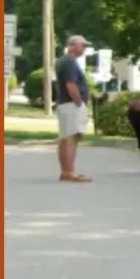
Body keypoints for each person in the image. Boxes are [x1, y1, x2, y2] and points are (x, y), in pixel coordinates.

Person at [55, 35, 92, 183]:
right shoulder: (69, 62)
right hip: (71, 105)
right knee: (71, 138)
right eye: (82, 45)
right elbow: (71, 85)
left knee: (66, 138)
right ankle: (69, 171)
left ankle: (66, 171)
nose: (84, 48)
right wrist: (79, 102)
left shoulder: (64, 61)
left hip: (65, 104)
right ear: (72, 46)